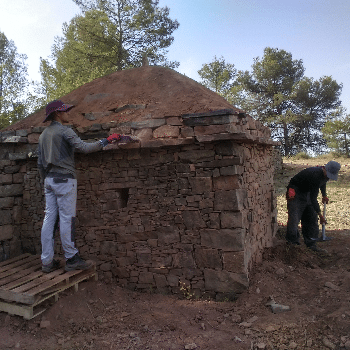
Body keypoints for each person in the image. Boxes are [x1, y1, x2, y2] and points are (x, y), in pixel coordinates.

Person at [38, 100, 137, 272]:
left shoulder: (43, 135)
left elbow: (40, 162)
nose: (68, 113)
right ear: (58, 114)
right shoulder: (64, 131)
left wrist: (46, 180)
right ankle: (71, 258)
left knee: (49, 220)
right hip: (64, 180)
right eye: (65, 111)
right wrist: (106, 141)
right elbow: (84, 148)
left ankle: (46, 261)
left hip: (49, 180)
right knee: (67, 219)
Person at [285, 160, 341, 252]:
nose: (328, 177)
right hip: (296, 192)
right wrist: (320, 215)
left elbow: (323, 183)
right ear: (325, 168)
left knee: (311, 218)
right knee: (294, 218)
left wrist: (324, 195)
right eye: (328, 175)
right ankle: (292, 245)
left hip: (307, 192)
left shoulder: (324, 175)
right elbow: (313, 199)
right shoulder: (315, 174)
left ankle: (311, 244)